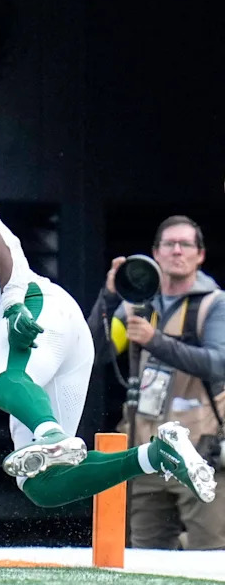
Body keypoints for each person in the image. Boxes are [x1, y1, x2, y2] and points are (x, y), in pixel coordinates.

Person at [0, 124, 217, 510]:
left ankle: (50, 433)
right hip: (54, 324)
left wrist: (13, 301)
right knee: (45, 484)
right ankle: (157, 455)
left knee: (3, 381)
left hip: (28, 307)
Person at [88, 216, 225, 549]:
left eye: (185, 244)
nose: (177, 251)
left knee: (208, 552)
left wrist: (156, 341)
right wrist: (109, 297)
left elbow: (217, 363)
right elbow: (95, 352)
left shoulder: (215, 303)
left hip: (200, 449)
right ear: (155, 253)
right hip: (148, 449)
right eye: (169, 244)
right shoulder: (137, 304)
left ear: (200, 255)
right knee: (146, 553)